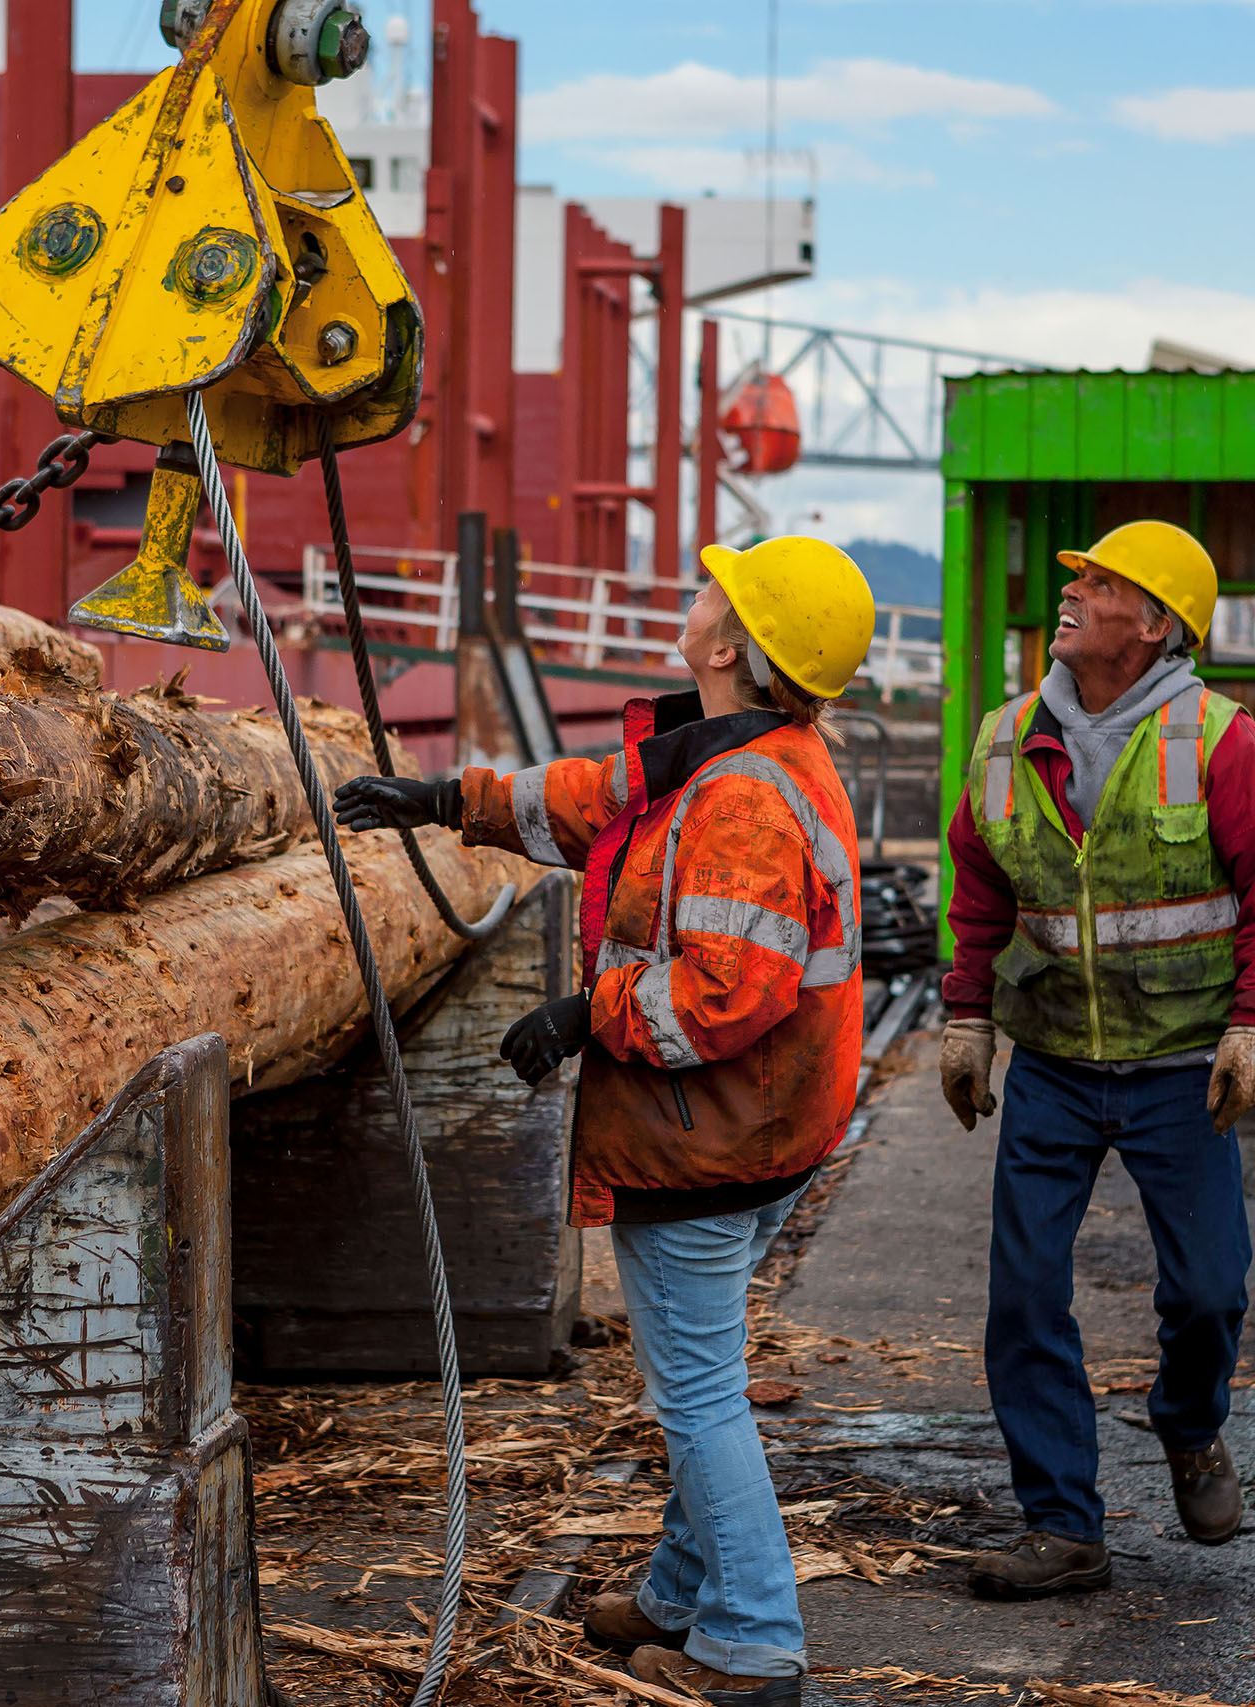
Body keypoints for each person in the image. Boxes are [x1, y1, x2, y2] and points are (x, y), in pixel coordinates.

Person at [336, 536, 873, 1706]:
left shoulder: (742, 797)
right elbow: (597, 801)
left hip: (709, 1137)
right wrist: (445, 801)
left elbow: (728, 991)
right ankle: (684, 1593)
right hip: (751, 1130)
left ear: (732, 644)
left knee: (694, 1395)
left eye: (710, 592)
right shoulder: (730, 753)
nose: (691, 597)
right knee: (702, 1377)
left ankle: (751, 1645)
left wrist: (589, 1013)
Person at [937, 520, 1255, 1598]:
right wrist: (969, 1018)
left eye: (1100, 584)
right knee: (1022, 1298)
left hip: (1179, 1066)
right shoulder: (1007, 737)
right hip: (1054, 1063)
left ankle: (1190, 1428)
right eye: (1078, 581)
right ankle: (1063, 1526)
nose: (1073, 594)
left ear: (1153, 625)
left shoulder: (1221, 742)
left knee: (1207, 1293)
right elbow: (979, 889)